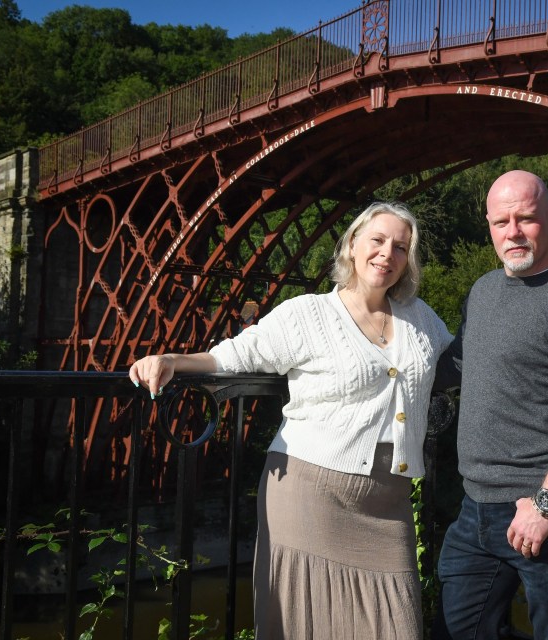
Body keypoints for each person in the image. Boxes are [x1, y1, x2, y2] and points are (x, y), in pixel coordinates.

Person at [130, 202, 453, 640]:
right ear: (353, 245)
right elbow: (239, 354)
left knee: (398, 625)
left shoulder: (421, 320)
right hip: (308, 496)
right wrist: (171, 359)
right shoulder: (309, 313)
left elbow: (460, 366)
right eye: (377, 240)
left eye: (400, 247)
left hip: (387, 505)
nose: (387, 254)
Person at [431, 170, 548, 640]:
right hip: (474, 508)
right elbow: (455, 366)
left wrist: (546, 505)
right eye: (501, 222)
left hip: (542, 513)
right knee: (458, 629)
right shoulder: (484, 290)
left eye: (526, 219)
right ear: (489, 226)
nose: (512, 232)